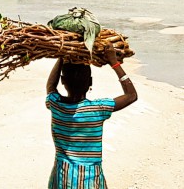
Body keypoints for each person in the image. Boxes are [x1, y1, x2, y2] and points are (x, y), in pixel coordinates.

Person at [44, 50, 138, 189]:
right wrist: (114, 62)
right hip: (91, 180)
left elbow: (51, 87)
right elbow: (131, 95)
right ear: (90, 82)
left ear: (63, 81)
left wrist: (61, 57)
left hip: (62, 178)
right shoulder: (98, 109)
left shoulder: (56, 104)